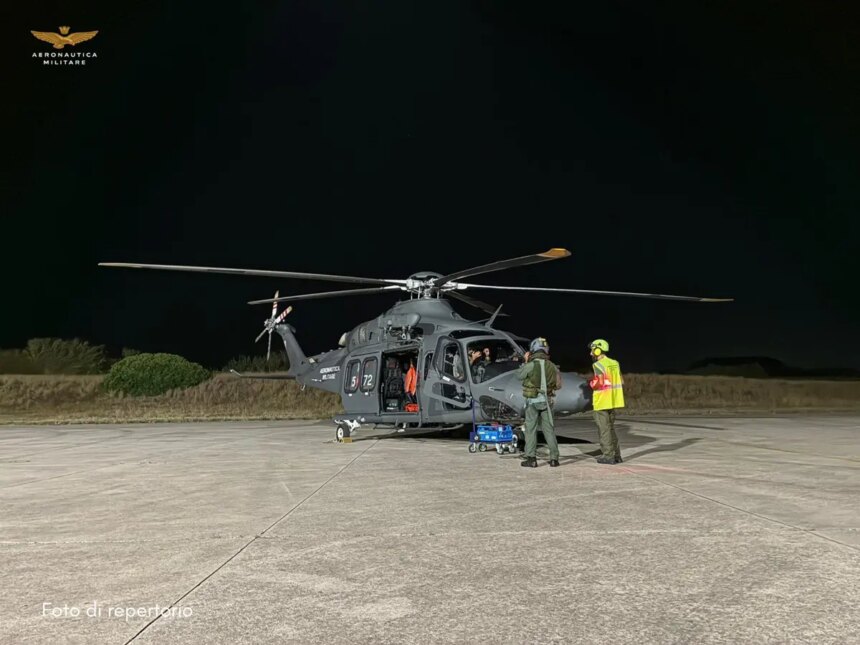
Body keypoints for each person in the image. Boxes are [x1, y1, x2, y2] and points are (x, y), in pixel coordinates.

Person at [515, 337, 561, 468]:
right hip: (547, 401)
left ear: (533, 349)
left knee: (530, 430)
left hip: (533, 401)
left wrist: (525, 361)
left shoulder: (530, 365)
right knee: (549, 430)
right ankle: (554, 459)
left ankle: (531, 459)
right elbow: (558, 385)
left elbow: (519, 376)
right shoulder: (553, 366)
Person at [588, 339, 624, 464]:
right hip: (613, 401)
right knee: (611, 429)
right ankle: (617, 455)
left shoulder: (598, 365)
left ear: (598, 350)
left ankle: (608, 456)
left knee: (604, 430)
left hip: (602, 401)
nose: (591, 353)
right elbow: (621, 381)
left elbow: (599, 383)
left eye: (592, 351)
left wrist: (591, 383)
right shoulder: (615, 363)